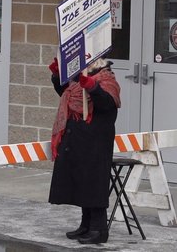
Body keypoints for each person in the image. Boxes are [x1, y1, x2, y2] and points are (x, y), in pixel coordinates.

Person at [47, 57, 121, 245]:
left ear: (100, 64)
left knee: (94, 185)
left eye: (89, 63)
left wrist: (92, 87)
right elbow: (64, 92)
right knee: (81, 184)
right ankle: (86, 224)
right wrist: (57, 75)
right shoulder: (79, 82)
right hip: (78, 141)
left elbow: (106, 104)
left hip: (95, 143)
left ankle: (99, 229)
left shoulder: (107, 81)